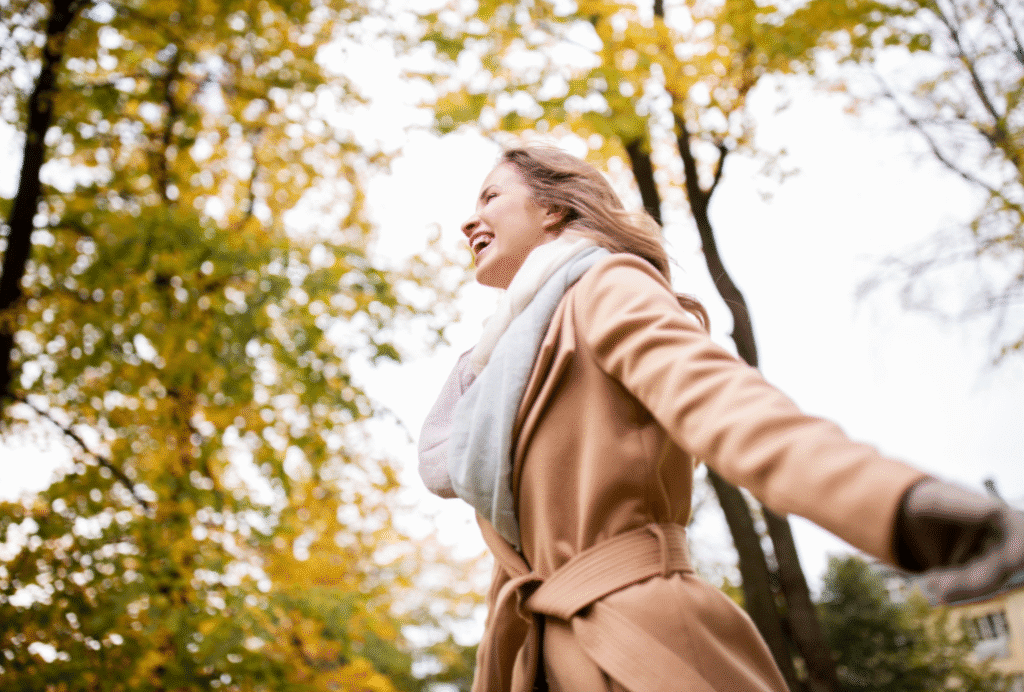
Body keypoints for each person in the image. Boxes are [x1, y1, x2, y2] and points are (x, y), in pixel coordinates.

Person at [417, 144, 1024, 692]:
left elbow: (726, 405)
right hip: (539, 663)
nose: (469, 220)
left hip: (644, 651)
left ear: (553, 210)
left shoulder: (603, 286)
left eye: (491, 196)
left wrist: (899, 506)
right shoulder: (497, 383)